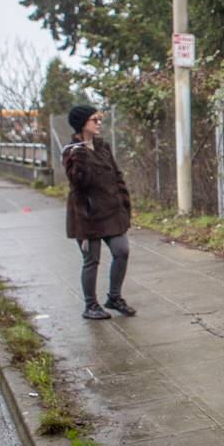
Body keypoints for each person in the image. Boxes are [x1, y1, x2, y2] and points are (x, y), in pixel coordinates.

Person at [62, 105, 136, 320]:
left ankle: (114, 297)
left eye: (99, 119)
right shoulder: (71, 151)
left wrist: (124, 203)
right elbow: (79, 182)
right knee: (91, 260)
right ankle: (90, 305)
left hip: (111, 211)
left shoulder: (102, 146)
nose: (99, 123)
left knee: (122, 251)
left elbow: (116, 175)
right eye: (94, 119)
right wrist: (82, 153)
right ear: (82, 123)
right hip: (86, 214)